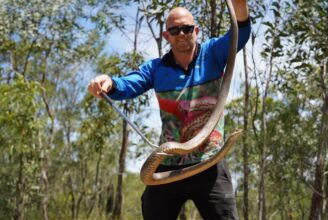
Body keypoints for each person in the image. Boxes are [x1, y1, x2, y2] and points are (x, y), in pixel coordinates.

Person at [88, 1, 250, 219]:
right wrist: (108, 82)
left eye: (187, 28)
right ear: (167, 36)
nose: (181, 34)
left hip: (209, 162)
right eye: (175, 30)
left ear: (196, 31)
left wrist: (240, 5)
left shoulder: (213, 54)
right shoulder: (156, 69)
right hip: (169, 164)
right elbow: (126, 85)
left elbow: (241, 31)